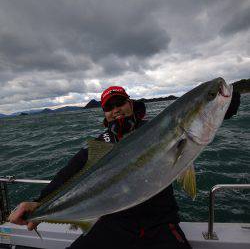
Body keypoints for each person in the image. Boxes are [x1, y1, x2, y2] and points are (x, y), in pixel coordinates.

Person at [9, 86, 240, 249]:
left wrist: (226, 101)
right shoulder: (99, 144)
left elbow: (207, 115)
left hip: (160, 223)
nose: (116, 109)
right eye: (109, 107)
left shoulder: (156, 128)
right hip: (112, 223)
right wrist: (39, 203)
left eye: (120, 103)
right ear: (105, 114)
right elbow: (67, 175)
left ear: (130, 104)